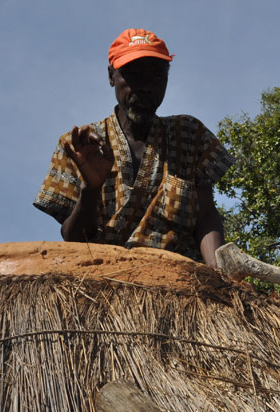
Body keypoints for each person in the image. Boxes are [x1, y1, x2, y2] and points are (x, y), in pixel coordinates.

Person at [34, 28, 233, 266]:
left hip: (179, 279)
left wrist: (221, 277)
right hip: (103, 281)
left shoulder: (189, 135)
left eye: (156, 76)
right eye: (134, 75)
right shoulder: (78, 146)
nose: (146, 86)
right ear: (111, 76)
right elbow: (73, 240)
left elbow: (206, 216)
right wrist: (90, 189)